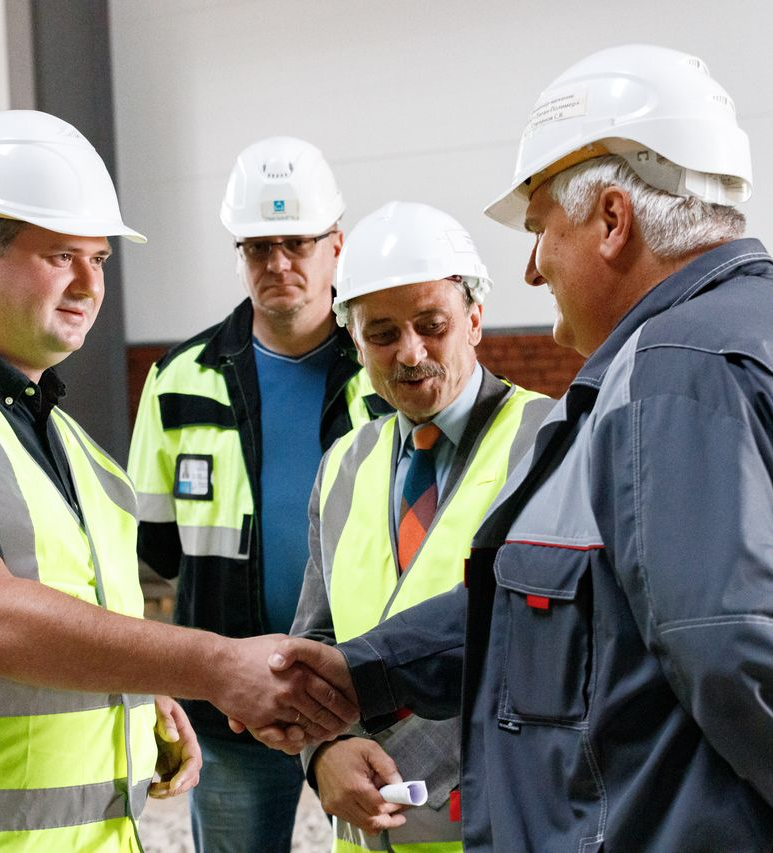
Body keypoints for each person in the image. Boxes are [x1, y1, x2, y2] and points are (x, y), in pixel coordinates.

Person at [264, 44, 773, 849]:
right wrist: (367, 669)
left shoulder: (675, 372)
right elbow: (573, 596)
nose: (533, 267)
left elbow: (738, 652)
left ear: (613, 221)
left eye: (542, 228)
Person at [0, 110, 358, 851]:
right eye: (62, 256)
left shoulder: (69, 445)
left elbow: (73, 614)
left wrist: (136, 695)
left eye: (99, 258)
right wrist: (214, 665)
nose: (90, 284)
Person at [127, 135, 389, 851]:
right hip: (231, 708)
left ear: (336, 247)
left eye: (296, 243)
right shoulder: (177, 379)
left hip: (362, 697)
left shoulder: (386, 374)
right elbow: (153, 548)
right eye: (258, 247)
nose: (278, 263)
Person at [290, 201, 551, 851]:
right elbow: (316, 635)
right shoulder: (344, 464)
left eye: (432, 325)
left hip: (498, 830)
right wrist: (324, 752)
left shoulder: (549, 442)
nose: (411, 353)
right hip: (367, 838)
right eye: (382, 334)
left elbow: (549, 647)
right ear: (354, 342)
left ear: (475, 319)